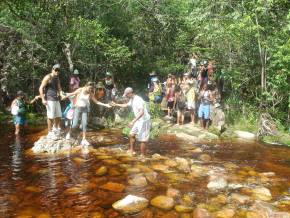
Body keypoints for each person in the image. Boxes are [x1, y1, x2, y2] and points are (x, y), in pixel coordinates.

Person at [63, 82, 111, 147]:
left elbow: (96, 102)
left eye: (91, 89)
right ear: (86, 86)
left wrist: (106, 105)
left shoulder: (90, 93)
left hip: (85, 109)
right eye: (89, 88)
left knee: (84, 124)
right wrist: (64, 96)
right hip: (77, 108)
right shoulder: (80, 90)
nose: (90, 90)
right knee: (74, 124)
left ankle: (84, 139)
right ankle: (69, 133)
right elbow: (72, 93)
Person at [111, 87, 151, 156]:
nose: (126, 96)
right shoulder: (132, 99)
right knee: (132, 134)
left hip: (144, 121)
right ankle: (132, 151)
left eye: (126, 95)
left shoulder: (138, 100)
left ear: (130, 93)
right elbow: (126, 105)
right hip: (138, 120)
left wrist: (133, 121)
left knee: (142, 139)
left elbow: (142, 112)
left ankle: (142, 156)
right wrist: (116, 104)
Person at [39, 64, 65, 139]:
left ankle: (55, 129)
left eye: (58, 70)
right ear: (52, 69)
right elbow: (40, 88)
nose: (57, 71)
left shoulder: (57, 78)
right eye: (56, 70)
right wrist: (43, 99)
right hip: (49, 99)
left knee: (59, 115)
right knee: (50, 116)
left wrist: (62, 95)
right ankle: (50, 133)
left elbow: (59, 89)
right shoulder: (48, 77)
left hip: (56, 99)